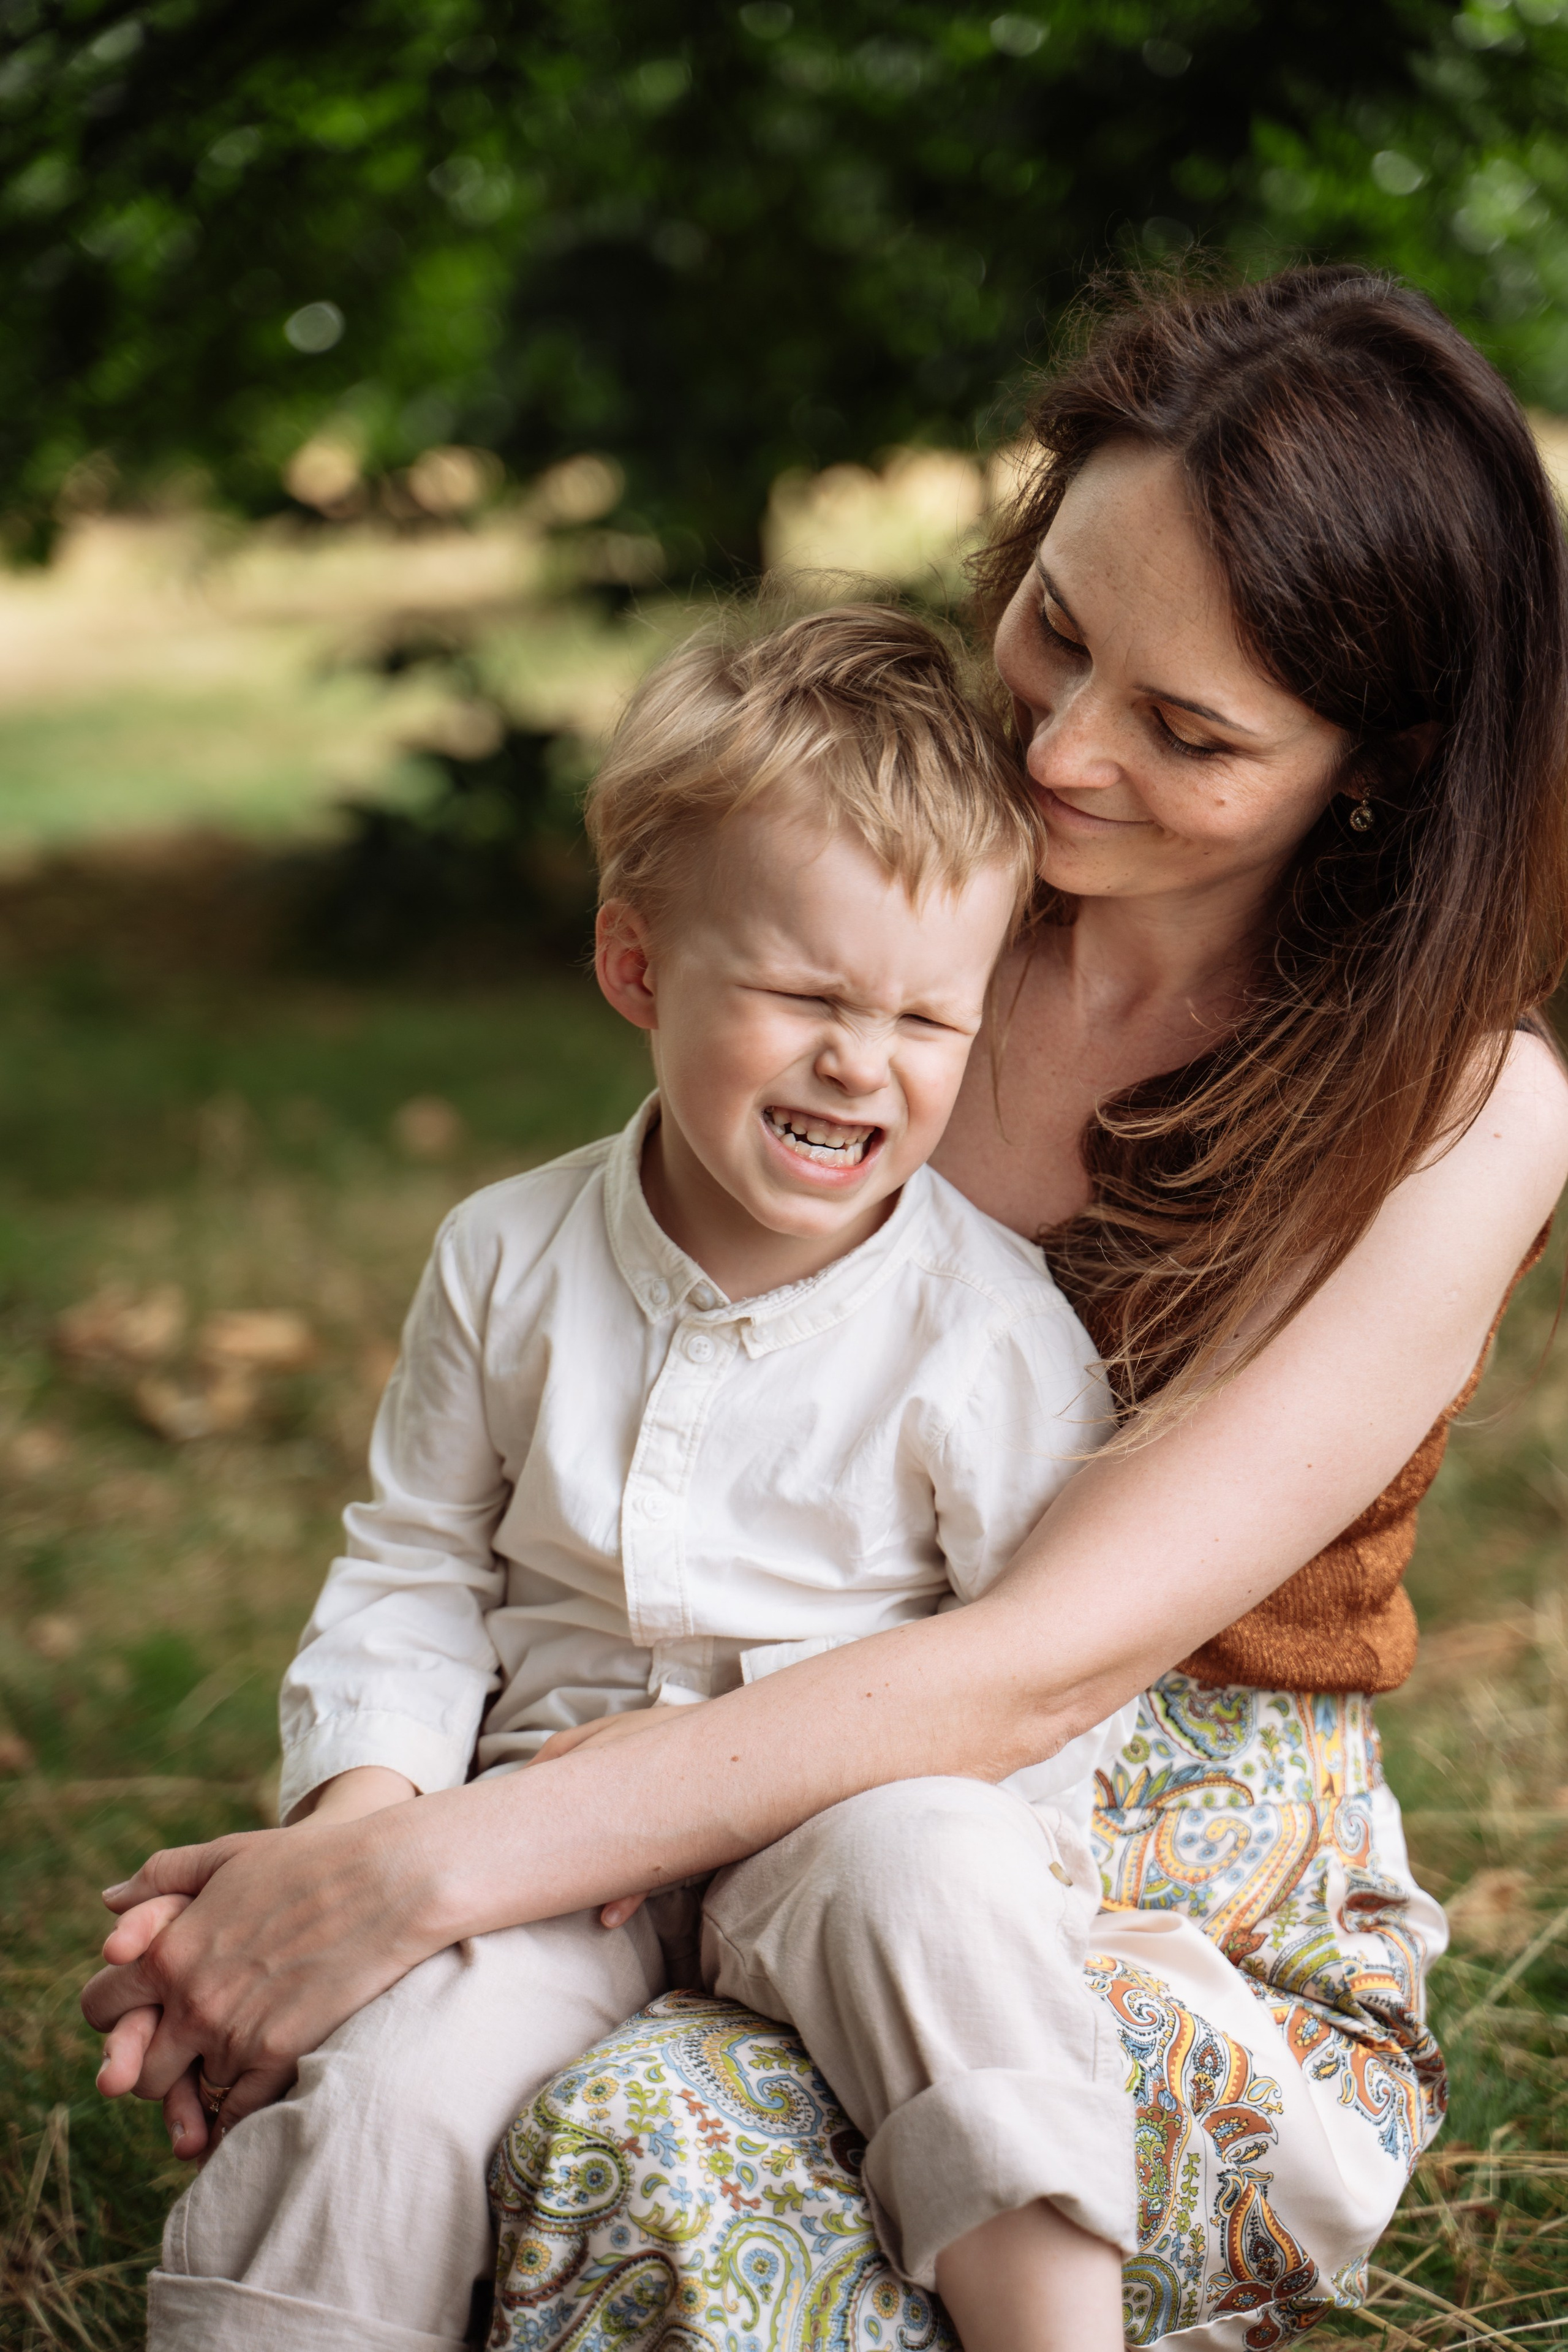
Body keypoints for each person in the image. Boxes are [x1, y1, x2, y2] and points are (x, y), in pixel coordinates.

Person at [84, 264, 1568, 2352]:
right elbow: (621, 1363)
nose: (1060, 748)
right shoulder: (905, 898)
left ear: (1381, 766)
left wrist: (400, 1883)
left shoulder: (1455, 1107)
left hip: (1081, 1844)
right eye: (1058, 627)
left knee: (641, 2144)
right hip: (653, 1755)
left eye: (1191, 731)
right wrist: (383, 1826)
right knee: (421, 2106)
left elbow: (1039, 1667)